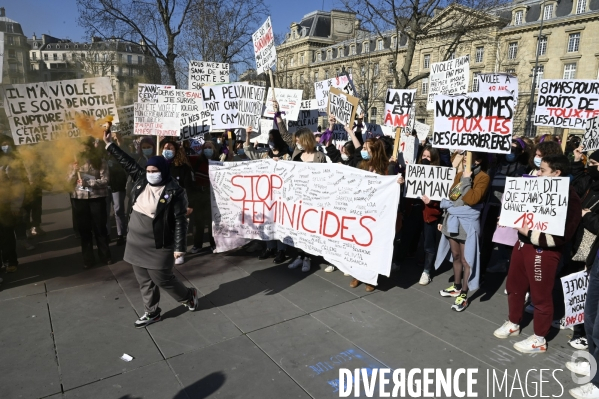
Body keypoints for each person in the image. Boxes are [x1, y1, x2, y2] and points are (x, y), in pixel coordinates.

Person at [103, 128, 199, 328]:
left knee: (162, 278)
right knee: (144, 280)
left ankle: (188, 295)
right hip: (136, 243)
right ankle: (152, 312)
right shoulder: (141, 179)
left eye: (154, 171)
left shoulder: (175, 191)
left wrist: (179, 247)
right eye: (148, 170)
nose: (150, 174)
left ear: (163, 171)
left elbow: (180, 220)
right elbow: (127, 162)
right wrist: (111, 145)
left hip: (160, 242)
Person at [494, 155, 582, 354]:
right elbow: (522, 211)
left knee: (540, 295)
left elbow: (563, 235)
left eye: (542, 170)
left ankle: (539, 338)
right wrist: (508, 217)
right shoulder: (534, 187)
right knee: (514, 286)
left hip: (544, 251)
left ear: (556, 173)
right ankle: (513, 322)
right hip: (523, 245)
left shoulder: (570, 197)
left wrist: (532, 235)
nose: (537, 173)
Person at [436, 151, 490, 312]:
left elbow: (472, 198)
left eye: (469, 158)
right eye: (465, 158)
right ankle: (457, 286)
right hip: (453, 220)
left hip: (468, 223)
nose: (465, 160)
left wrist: (467, 179)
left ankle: (465, 293)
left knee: (468, 260)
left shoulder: (483, 178)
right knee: (456, 255)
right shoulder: (460, 174)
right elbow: (453, 196)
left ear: (478, 161)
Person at [68, 137, 112, 268]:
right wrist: (73, 172)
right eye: (81, 148)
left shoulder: (100, 162)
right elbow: (66, 182)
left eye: (86, 148)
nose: (84, 151)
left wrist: (89, 182)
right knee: (84, 230)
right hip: (79, 199)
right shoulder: (72, 163)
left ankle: (105, 256)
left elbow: (105, 180)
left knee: (100, 228)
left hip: (97, 198)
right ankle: (88, 259)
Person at [161, 139, 195, 263]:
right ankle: (167, 251)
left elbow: (189, 187)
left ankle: (179, 252)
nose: (167, 150)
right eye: (165, 148)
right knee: (165, 227)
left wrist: (190, 204)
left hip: (178, 202)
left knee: (179, 227)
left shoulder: (183, 167)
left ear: (176, 151)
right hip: (163, 202)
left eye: (170, 148)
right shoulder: (159, 165)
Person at [415, 146, 443, 285]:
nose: (425, 159)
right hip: (416, 212)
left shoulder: (440, 175)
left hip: (430, 214)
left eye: (428, 157)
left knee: (429, 244)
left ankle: (427, 271)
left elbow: (443, 200)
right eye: (423, 156)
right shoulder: (416, 171)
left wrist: (431, 202)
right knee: (417, 240)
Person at [0, 136, 26, 272]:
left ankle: (11, 261)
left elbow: (17, 184)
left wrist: (16, 204)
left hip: (4, 205)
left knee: (7, 235)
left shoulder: (8, 164)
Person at [190, 139, 218, 254]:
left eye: (210, 147)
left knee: (212, 221)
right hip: (199, 194)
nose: (207, 149)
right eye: (205, 147)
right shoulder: (196, 160)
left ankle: (213, 244)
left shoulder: (218, 161)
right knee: (198, 221)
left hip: (212, 195)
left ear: (214, 149)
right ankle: (197, 245)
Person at [106, 132, 128, 246]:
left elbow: (124, 152)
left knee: (118, 210)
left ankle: (120, 234)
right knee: (105, 212)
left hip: (118, 183)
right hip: (104, 184)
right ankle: (107, 234)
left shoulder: (119, 146)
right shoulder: (100, 146)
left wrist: (119, 140)